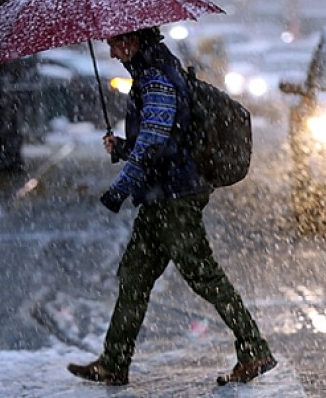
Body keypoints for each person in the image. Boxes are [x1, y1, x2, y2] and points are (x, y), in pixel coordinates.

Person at [67, 27, 276, 386]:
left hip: (175, 197)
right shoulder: (153, 74)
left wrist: (120, 188)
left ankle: (254, 348)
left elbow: (154, 144)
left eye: (116, 43)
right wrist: (121, 148)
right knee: (134, 276)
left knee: (204, 276)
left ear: (134, 40)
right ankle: (114, 361)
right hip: (160, 197)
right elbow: (158, 140)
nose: (113, 53)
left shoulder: (157, 79)